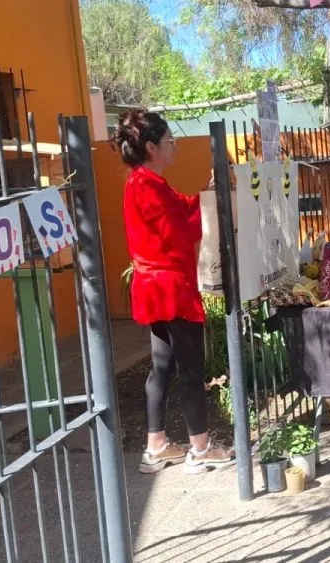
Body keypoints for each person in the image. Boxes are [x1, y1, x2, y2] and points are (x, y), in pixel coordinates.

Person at [111, 109, 234, 475]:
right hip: (170, 287)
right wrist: (212, 205)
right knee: (190, 368)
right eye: (169, 141)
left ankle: (157, 445)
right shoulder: (146, 185)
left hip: (156, 287)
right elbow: (183, 232)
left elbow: (183, 209)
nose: (174, 147)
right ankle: (200, 448)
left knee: (162, 367)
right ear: (151, 147)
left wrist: (209, 193)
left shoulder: (146, 181)